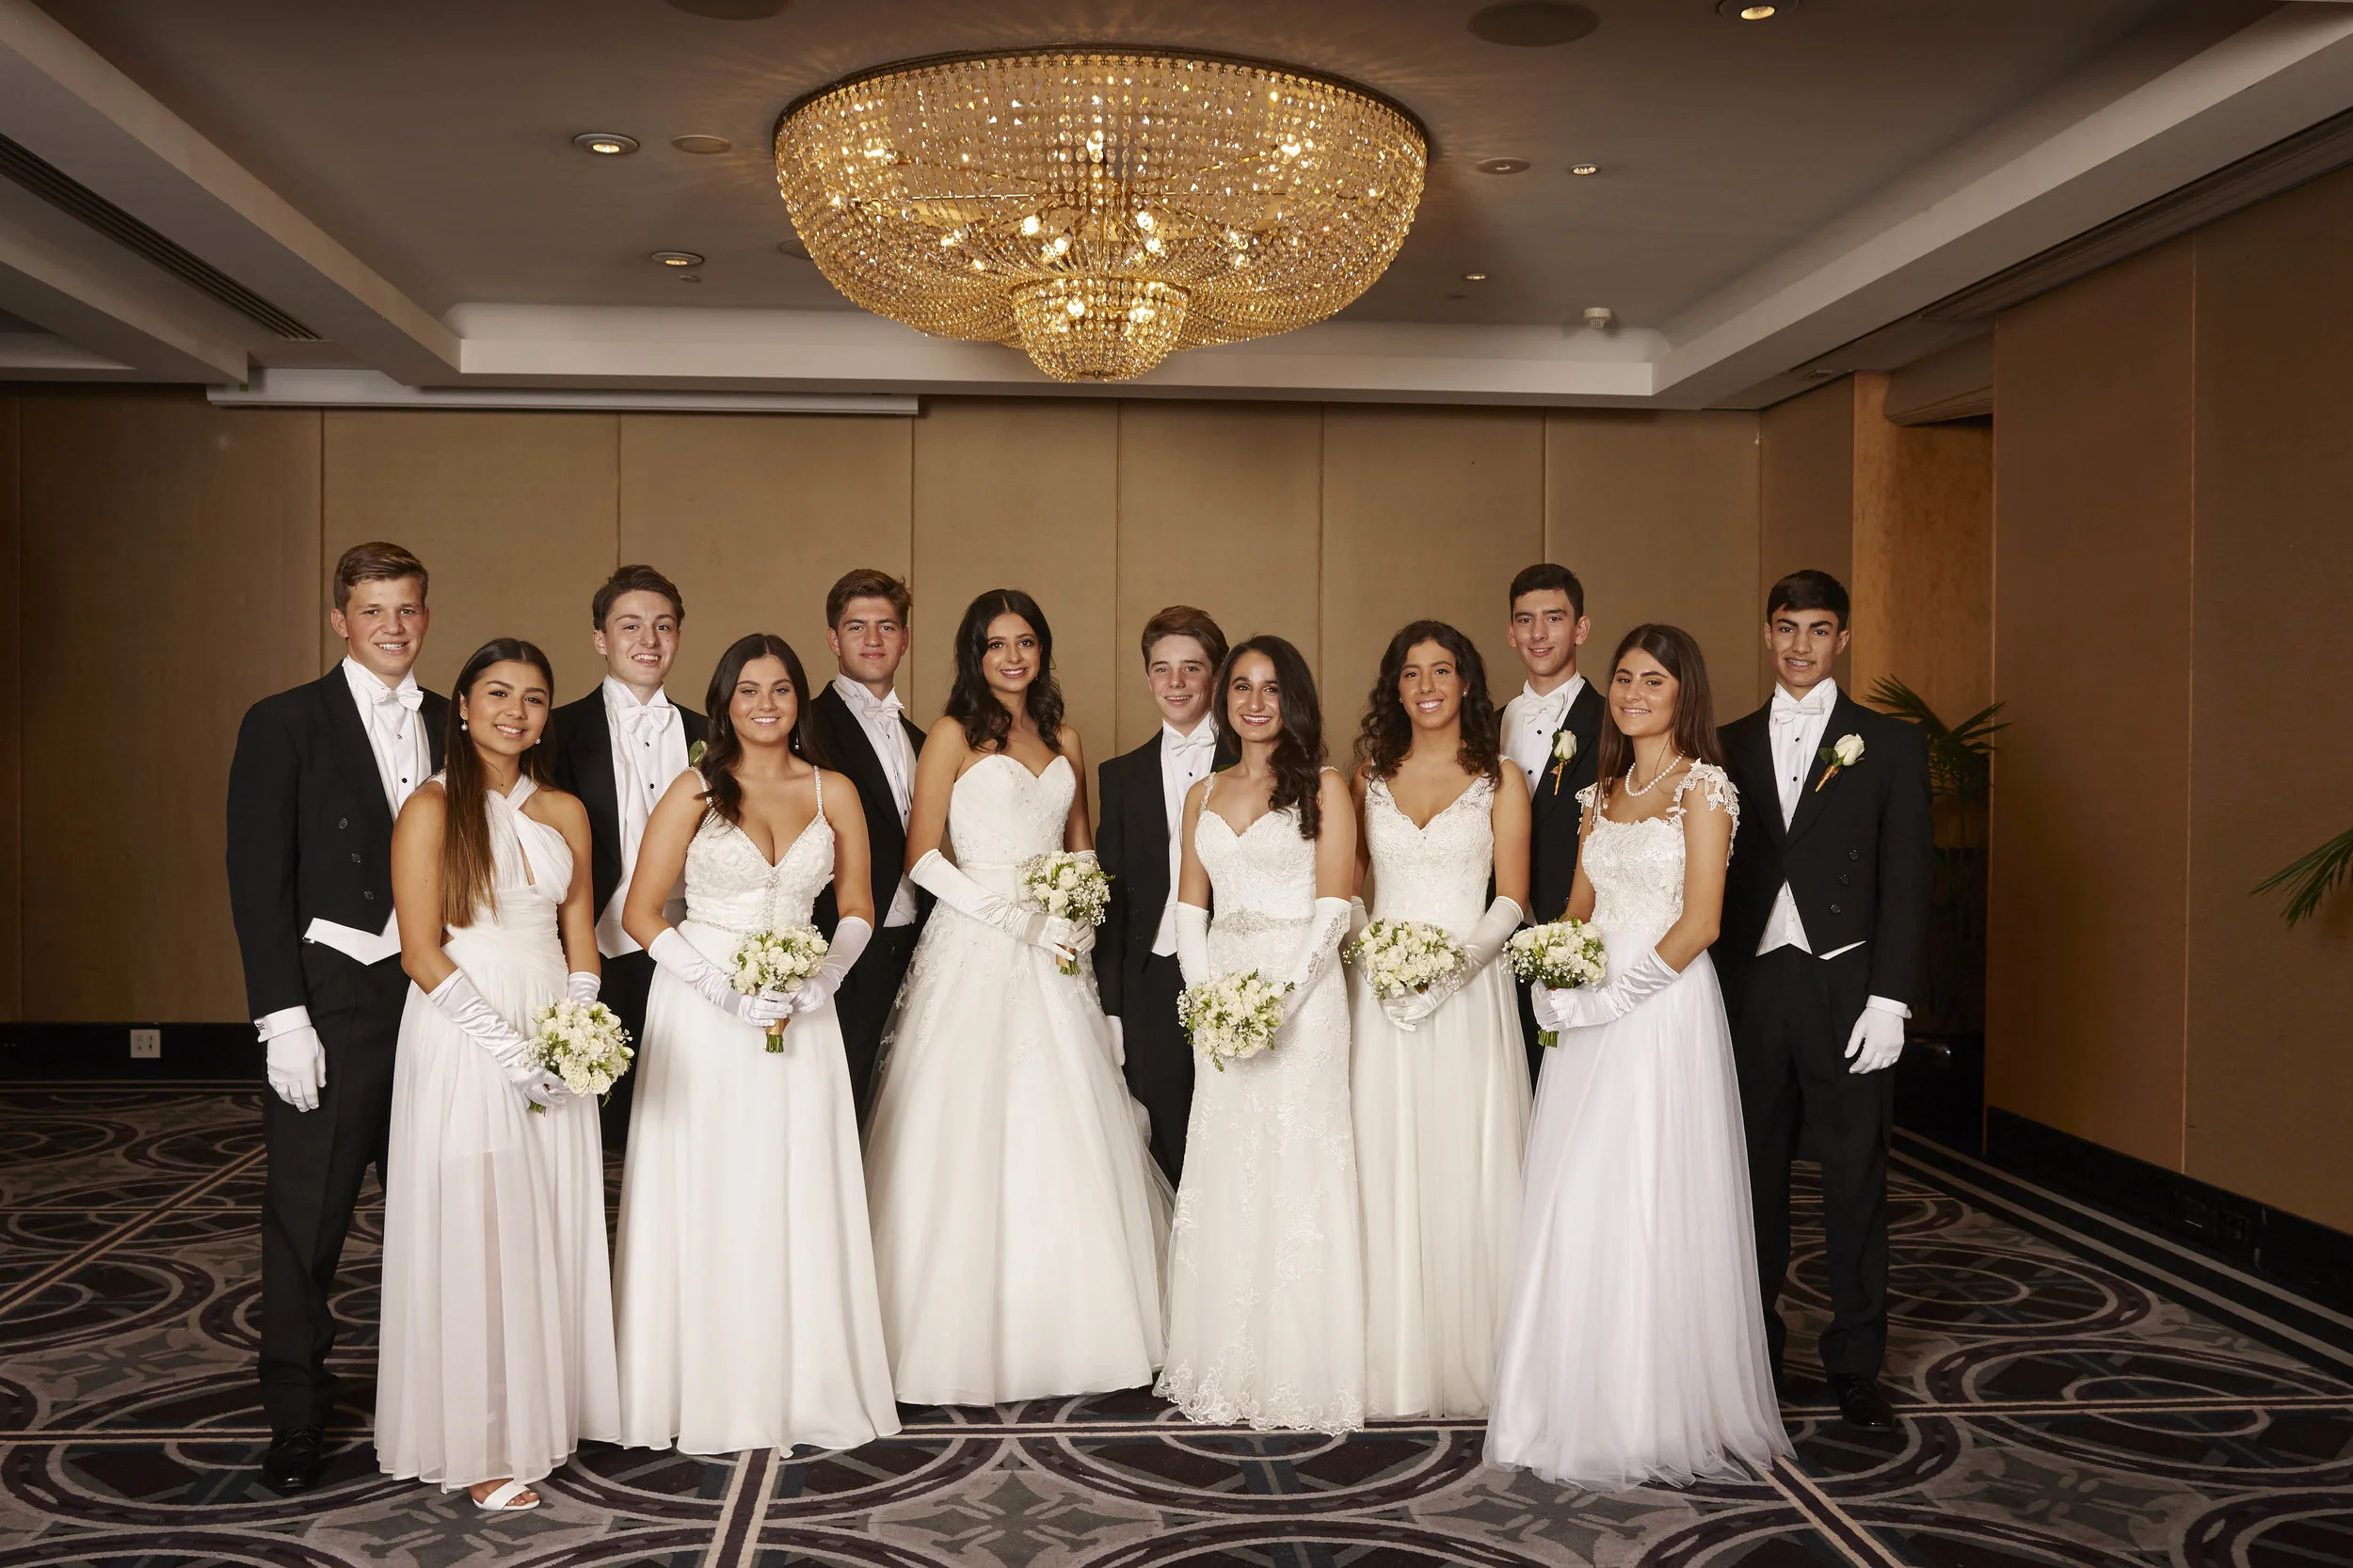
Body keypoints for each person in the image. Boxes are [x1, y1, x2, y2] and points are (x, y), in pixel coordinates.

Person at [1488, 624, 1787, 1490]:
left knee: (1650, 1187)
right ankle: (1566, 1394)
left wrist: (1616, 999)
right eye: (1623, 678)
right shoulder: (1600, 793)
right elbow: (1578, 909)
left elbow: (1703, 920)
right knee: (1578, 1188)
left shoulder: (1706, 788)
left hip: (1662, 1009)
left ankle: (1649, 1406)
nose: (1632, 693)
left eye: (1653, 680)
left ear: (1684, 691)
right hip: (1590, 1011)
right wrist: (1553, 979)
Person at [862, 588, 1169, 1407]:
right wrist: (1014, 920)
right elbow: (922, 857)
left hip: (1057, 951)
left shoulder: (1065, 737)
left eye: (1025, 641)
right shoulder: (952, 735)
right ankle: (947, 1336)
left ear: (1042, 650)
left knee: (1066, 1119)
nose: (1011, 657)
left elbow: (1081, 849)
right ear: (975, 654)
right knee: (965, 1125)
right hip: (977, 941)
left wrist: (1076, 914)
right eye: (996, 643)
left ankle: (1078, 1327)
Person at [611, 633, 901, 1455]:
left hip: (801, 1008)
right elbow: (640, 912)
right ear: (724, 702)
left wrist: (825, 978)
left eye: (780, 689)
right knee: (715, 1180)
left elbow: (858, 905)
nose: (765, 704)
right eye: (748, 690)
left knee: (796, 1178)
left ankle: (805, 1382)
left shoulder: (834, 789)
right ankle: (702, 1382)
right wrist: (721, 991)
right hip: (704, 1008)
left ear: (799, 699)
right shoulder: (696, 789)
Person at [376, 639, 618, 1512]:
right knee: (479, 1224)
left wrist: (577, 1028)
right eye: (498, 693)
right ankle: (480, 1442)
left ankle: (546, 1408)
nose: (516, 712)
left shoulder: (564, 809)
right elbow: (419, 950)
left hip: (551, 1022)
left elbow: (580, 935)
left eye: (535, 698)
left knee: (546, 1216)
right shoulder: (431, 807)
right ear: (466, 706)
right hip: (466, 1028)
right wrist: (508, 1050)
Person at [227, 541, 446, 1494]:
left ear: (425, 616)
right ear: (339, 620)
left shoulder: (453, 718)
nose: (392, 627)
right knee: (307, 1219)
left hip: (436, 998)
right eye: (372, 610)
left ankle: (434, 1394)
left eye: (407, 609)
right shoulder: (284, 722)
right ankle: (296, 1413)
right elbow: (256, 881)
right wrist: (283, 1018)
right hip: (333, 999)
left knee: (438, 1208)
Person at [1715, 569, 1932, 1432]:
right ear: (1767, 634)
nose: (1800, 644)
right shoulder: (1724, 742)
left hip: (1847, 986)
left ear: (1842, 639)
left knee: (1854, 1179)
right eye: (1786, 627)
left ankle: (1855, 1364)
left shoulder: (1890, 744)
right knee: (1751, 1176)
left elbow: (1908, 880)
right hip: (1751, 985)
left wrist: (1892, 1000)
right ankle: (1755, 1353)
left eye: (1817, 629)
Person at [1163, 635, 1365, 1433]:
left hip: (1303, 1000)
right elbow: (1189, 910)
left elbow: (1334, 908)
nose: (1254, 702)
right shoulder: (1202, 793)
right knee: (1229, 1167)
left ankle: (1301, 1367)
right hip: (1222, 995)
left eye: (1272, 688)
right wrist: (1209, 1001)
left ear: (1295, 699)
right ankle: (1225, 1361)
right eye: (1241, 686)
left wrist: (1278, 1004)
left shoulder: (1326, 786)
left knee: (1298, 1166)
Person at [1347, 620, 1533, 1419]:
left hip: (1469, 992)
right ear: (1394, 688)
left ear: (1466, 683)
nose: (1427, 686)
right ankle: (1388, 1359)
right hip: (1381, 997)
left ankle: (1474, 1353)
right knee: (1382, 1155)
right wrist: (1377, 966)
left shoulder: (1501, 778)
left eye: (1442, 670)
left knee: (1465, 1158)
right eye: (1411, 673)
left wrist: (1449, 974)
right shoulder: (1365, 777)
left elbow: (1512, 897)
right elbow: (1348, 889)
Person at [544, 566, 706, 1153]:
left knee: (683, 1118)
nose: (649, 640)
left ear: (678, 636)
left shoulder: (714, 733)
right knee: (594, 1125)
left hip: (693, 948)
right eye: (630, 625)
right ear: (600, 639)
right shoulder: (557, 731)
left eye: (663, 626)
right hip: (594, 947)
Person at [1093, 606, 1230, 1181]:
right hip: (1152, 973)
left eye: (1191, 668)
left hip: (1236, 967)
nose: (1176, 682)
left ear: (1217, 675)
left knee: (1233, 1127)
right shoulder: (1120, 776)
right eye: (1161, 669)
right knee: (1164, 1134)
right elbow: (1111, 901)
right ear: (1148, 677)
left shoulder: (1259, 761)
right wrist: (1112, 1007)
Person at [803, 569, 928, 1127]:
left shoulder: (922, 738)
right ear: (834, 639)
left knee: (905, 1102)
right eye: (857, 627)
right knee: (840, 1097)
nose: (873, 639)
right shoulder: (804, 725)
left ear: (905, 638)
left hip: (920, 940)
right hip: (839, 940)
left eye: (887, 626)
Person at [1498, 565, 1606, 1087]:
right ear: (1510, 632)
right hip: (1498, 943)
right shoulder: (1482, 725)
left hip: (1582, 940)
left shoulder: (1615, 723)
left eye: (1554, 618)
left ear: (1581, 628)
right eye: (1526, 620)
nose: (1538, 634)